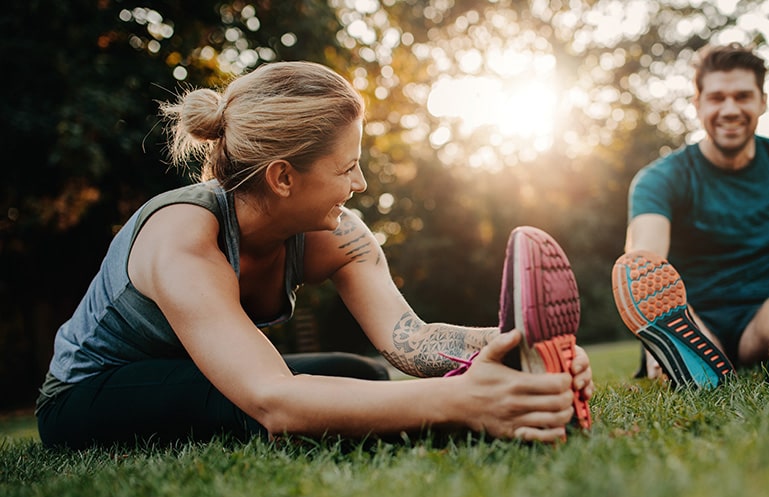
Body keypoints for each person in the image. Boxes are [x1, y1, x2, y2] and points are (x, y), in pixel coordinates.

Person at [36, 61, 592, 450]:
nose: (362, 182)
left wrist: (520, 349)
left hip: (195, 375)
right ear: (283, 177)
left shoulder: (337, 234)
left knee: (363, 377)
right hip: (91, 393)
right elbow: (274, 399)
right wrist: (462, 403)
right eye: (346, 167)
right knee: (259, 410)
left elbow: (413, 342)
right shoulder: (185, 235)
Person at [611, 43, 769, 388]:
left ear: (763, 101)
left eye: (743, 96)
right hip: (695, 317)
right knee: (680, 320)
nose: (730, 109)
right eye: (717, 98)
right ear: (698, 104)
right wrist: (648, 335)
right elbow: (645, 263)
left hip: (766, 314)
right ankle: (675, 352)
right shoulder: (660, 179)